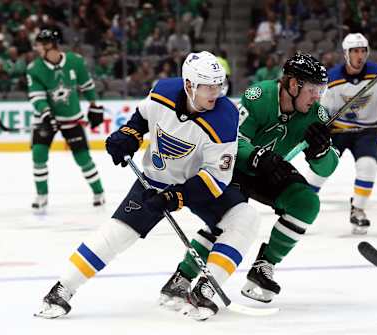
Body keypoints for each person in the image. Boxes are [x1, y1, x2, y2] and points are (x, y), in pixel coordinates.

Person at [35, 51, 260, 321]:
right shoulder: (163, 91)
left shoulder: (225, 117)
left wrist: (176, 197)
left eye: (218, 85)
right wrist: (127, 136)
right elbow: (141, 118)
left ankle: (205, 290)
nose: (215, 92)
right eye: (207, 87)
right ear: (189, 85)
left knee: (245, 218)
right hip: (155, 180)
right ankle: (62, 288)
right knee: (117, 233)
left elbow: (217, 178)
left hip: (199, 185)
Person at [160, 52, 339, 306]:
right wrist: (257, 156)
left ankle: (264, 266)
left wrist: (321, 152)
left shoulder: (317, 115)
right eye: (312, 89)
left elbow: (327, 168)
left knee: (306, 203)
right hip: (233, 168)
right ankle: (183, 276)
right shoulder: (260, 96)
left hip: (270, 170)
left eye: (321, 90)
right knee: (227, 221)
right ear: (291, 85)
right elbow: (233, 139)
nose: (317, 96)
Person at [306, 33, 377, 234]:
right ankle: (300, 206)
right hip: (338, 132)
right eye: (355, 51)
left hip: (367, 132)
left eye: (363, 51)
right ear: (346, 54)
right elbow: (320, 110)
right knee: (319, 172)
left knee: (368, 167)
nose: (359, 56)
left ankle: (358, 209)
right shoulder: (332, 79)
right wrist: (320, 125)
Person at [27, 29, 106, 213]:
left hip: (71, 117)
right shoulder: (34, 69)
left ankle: (98, 192)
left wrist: (94, 105)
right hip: (47, 118)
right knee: (38, 154)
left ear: (49, 45)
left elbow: (87, 85)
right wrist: (46, 114)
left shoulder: (75, 61)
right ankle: (42, 195)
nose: (37, 47)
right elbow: (36, 96)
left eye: (39, 44)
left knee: (83, 158)